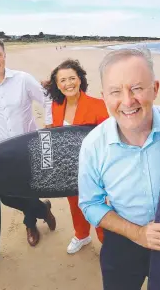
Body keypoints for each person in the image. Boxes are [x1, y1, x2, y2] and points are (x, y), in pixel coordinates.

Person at [78, 48, 160, 289]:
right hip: (124, 237)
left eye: (136, 88)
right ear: (104, 96)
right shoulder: (93, 145)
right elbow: (90, 204)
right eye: (115, 91)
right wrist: (138, 234)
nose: (127, 101)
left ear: (154, 88)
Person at [0, 36, 56, 247]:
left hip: (29, 145)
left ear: (5, 55)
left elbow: (47, 99)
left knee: (28, 189)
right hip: (0, 149)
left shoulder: (23, 79)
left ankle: (30, 224)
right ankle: (42, 209)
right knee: (6, 196)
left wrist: (49, 124)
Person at [45, 59, 109, 254]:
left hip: (94, 169)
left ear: (80, 80)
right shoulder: (56, 106)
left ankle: (107, 243)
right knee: (74, 204)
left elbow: (109, 140)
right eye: (62, 80)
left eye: (72, 78)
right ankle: (82, 235)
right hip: (69, 167)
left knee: (98, 206)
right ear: (57, 84)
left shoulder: (98, 105)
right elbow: (54, 136)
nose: (68, 84)